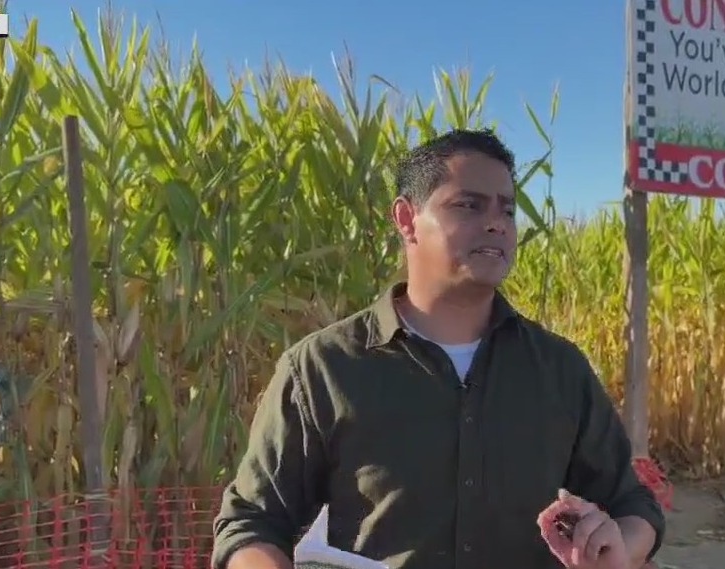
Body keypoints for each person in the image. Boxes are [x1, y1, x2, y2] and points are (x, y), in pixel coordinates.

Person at [210, 129, 666, 569]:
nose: (496, 223)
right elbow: (251, 522)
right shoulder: (323, 369)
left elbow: (632, 504)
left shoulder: (560, 369)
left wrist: (618, 547)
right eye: (468, 205)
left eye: (507, 210)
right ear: (407, 219)